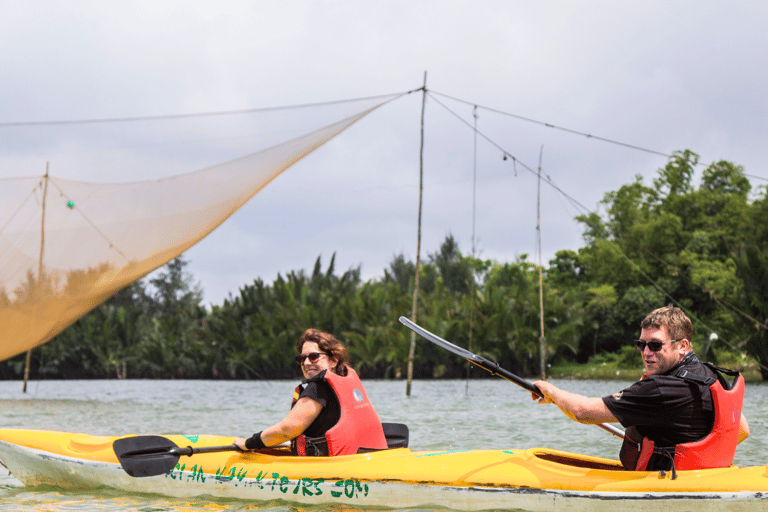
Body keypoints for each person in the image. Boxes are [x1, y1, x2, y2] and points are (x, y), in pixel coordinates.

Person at [531, 305, 749, 473]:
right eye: (641, 344)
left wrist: (550, 390)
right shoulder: (711, 375)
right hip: (706, 477)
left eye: (655, 345)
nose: (646, 352)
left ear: (682, 345)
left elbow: (582, 412)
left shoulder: (659, 389)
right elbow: (741, 430)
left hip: (666, 484)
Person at [235, 328, 388, 456]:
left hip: (337, 466)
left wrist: (249, 443)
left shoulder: (318, 386)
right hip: (367, 457)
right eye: (302, 358)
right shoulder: (347, 380)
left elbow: (287, 429)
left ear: (334, 360)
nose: (307, 363)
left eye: (314, 357)